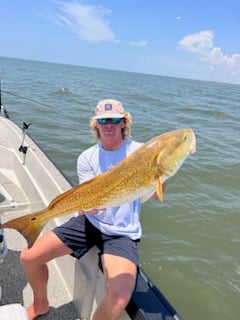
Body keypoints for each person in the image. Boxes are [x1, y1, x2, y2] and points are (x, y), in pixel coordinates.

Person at [20, 99, 166, 320]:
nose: (108, 124)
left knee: (118, 298)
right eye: (103, 120)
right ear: (96, 125)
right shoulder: (87, 158)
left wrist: (162, 175)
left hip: (122, 233)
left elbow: (155, 195)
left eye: (114, 120)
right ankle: (40, 305)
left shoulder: (141, 152)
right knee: (28, 257)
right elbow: (88, 199)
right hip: (90, 223)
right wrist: (87, 207)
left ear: (124, 122)